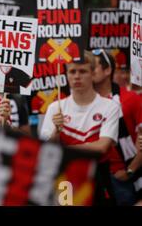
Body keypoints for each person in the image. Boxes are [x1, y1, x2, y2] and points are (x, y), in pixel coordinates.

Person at [40, 51, 120, 205]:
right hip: (66, 177)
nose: (77, 76)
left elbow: (102, 146)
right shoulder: (55, 108)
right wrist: (56, 132)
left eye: (82, 71)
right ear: (67, 75)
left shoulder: (110, 106)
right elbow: (48, 150)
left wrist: (67, 150)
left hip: (98, 175)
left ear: (92, 73)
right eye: (72, 71)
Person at [92, 49, 142, 204]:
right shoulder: (82, 102)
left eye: (93, 67)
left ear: (107, 70)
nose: (87, 72)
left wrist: (130, 171)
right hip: (95, 176)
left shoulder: (131, 99)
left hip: (123, 177)